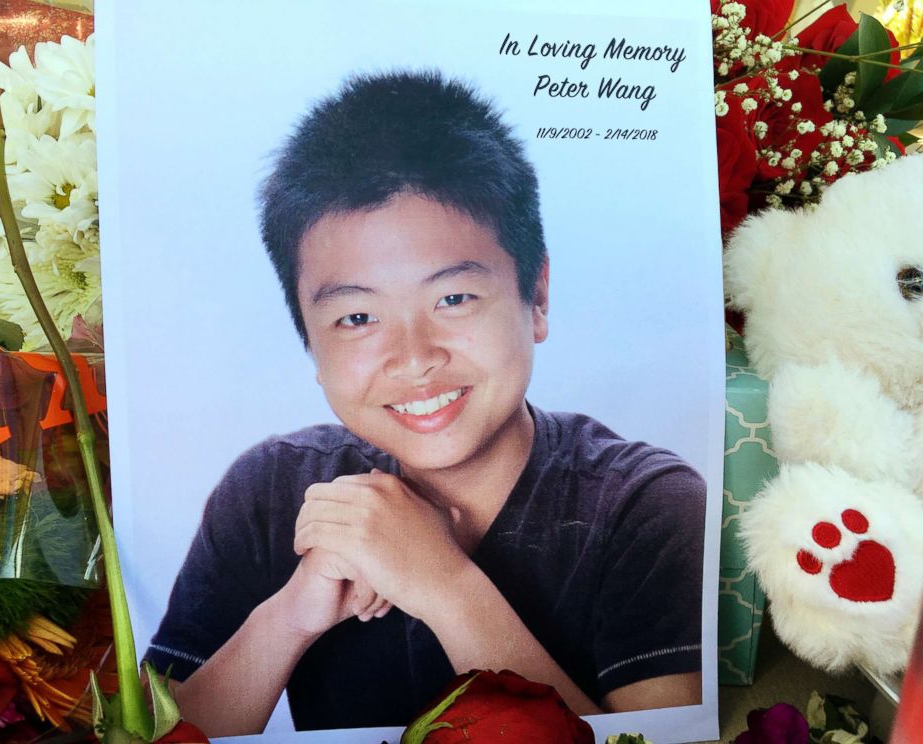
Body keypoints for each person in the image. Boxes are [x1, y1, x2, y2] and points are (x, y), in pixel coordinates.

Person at [144, 70, 705, 736]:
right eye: (356, 318)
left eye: (453, 299)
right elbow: (149, 731)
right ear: (308, 341)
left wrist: (442, 581)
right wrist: (291, 613)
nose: (412, 357)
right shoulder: (267, 492)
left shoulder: (647, 505)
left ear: (538, 296)